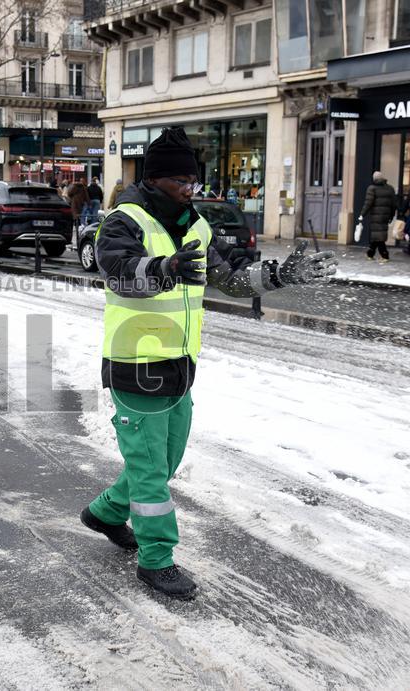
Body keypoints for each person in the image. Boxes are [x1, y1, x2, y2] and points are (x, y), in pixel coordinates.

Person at [82, 127, 337, 599]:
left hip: (179, 365)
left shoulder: (196, 224)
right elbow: (116, 270)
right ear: (156, 179)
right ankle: (155, 559)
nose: (190, 188)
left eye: (193, 181)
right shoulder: (125, 219)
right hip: (134, 364)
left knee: (167, 458)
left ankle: (105, 512)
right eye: (181, 180)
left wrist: (282, 275)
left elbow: (233, 277)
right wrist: (163, 269)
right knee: (150, 469)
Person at [358, 171, 396, 263]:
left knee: (378, 237)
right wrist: (391, 215)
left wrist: (362, 214)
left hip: (376, 216)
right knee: (378, 236)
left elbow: (368, 203)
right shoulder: (390, 188)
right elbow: (393, 204)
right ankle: (370, 254)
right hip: (385, 216)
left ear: (374, 179)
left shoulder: (372, 188)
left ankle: (385, 255)